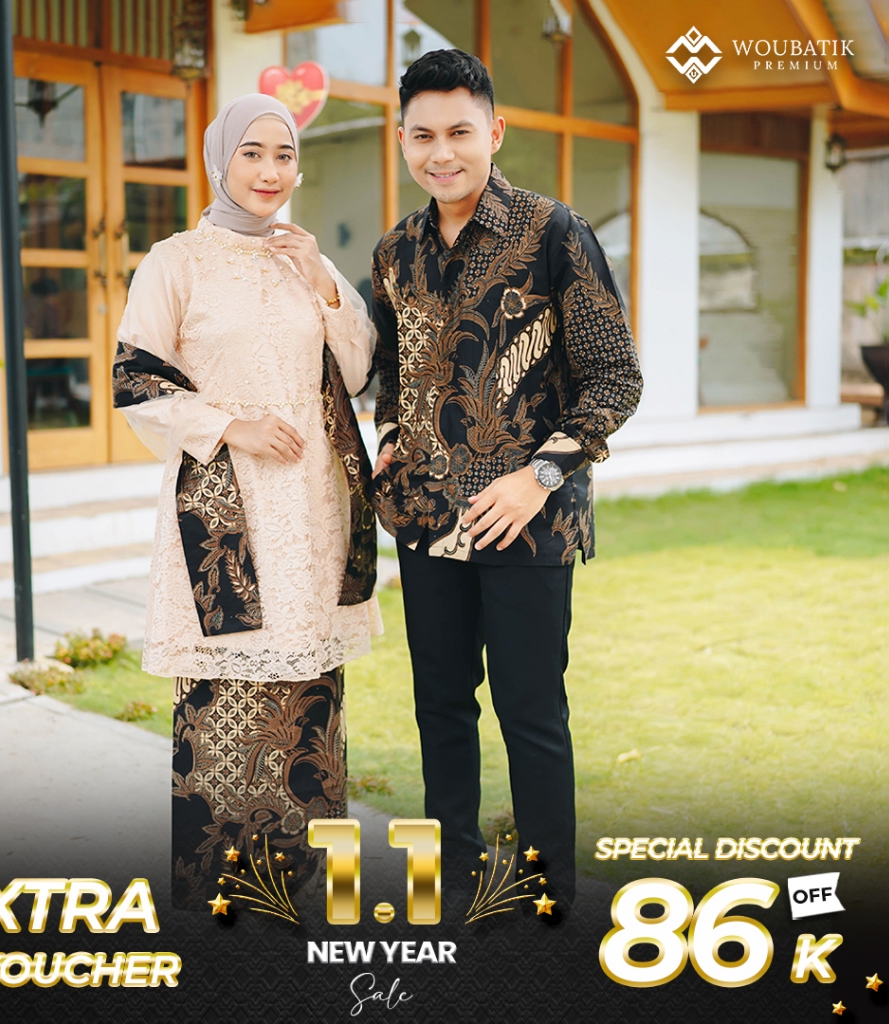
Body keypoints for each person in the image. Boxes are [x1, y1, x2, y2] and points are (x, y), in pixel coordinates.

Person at [370, 50, 642, 912]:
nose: (441, 152)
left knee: (531, 714)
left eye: (459, 131)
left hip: (529, 522)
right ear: (402, 140)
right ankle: (452, 878)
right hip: (426, 520)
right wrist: (390, 434)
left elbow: (615, 378)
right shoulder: (395, 252)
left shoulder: (555, 232)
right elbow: (392, 372)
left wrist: (539, 477)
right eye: (423, 135)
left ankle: (545, 892)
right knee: (441, 708)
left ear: (494, 131)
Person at [112, 94, 381, 911]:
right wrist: (233, 426)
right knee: (223, 689)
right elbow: (135, 379)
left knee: (309, 692)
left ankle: (304, 885)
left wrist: (324, 285)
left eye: (284, 155)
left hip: (312, 505)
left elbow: (361, 369)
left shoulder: (305, 256)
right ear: (219, 160)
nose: (270, 171)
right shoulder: (177, 261)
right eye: (253, 153)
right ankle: (217, 892)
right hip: (226, 502)